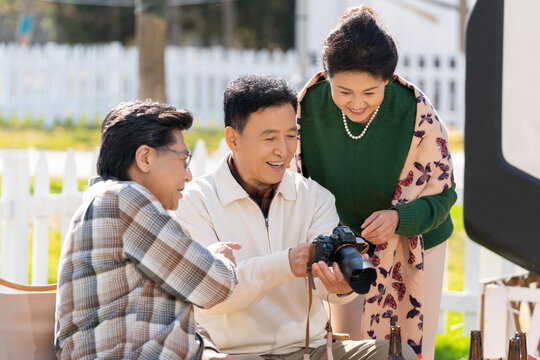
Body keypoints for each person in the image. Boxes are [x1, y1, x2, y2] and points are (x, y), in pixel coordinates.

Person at [175, 75, 417, 360]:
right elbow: (210, 295)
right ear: (233, 139)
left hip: (310, 352)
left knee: (394, 354)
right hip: (233, 354)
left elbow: (327, 286)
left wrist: (340, 289)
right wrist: (287, 263)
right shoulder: (194, 202)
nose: (284, 150)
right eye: (270, 138)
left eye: (291, 135)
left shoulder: (314, 197)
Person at [293, 6, 457, 360]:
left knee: (407, 348)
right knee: (347, 344)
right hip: (341, 246)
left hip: (414, 243)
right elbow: (293, 184)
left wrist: (399, 219)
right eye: (343, 91)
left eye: (369, 92)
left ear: (388, 79)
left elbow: (444, 198)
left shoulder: (416, 112)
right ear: (326, 76)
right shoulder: (307, 108)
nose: (355, 103)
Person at [55, 100, 238, 359]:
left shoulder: (111, 202)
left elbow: (175, 322)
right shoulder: (123, 200)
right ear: (145, 157)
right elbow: (215, 285)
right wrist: (220, 260)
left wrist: (207, 351)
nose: (189, 176)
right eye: (184, 160)